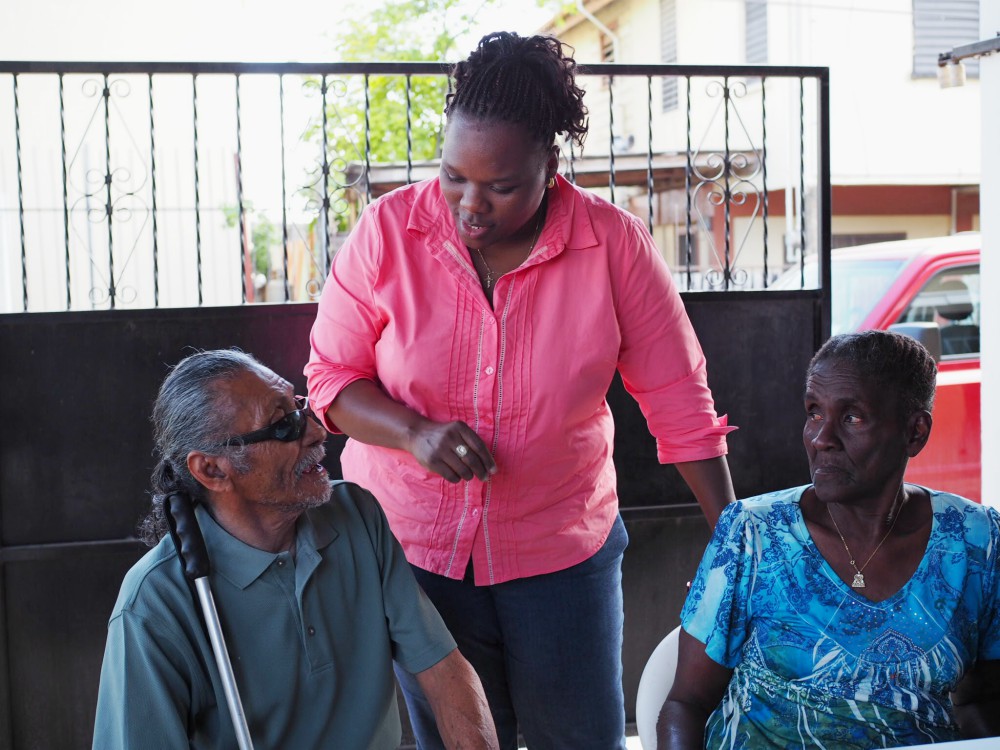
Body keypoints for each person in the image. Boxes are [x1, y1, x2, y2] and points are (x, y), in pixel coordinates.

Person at [305, 31, 736, 749]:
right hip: (420, 554)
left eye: (501, 186)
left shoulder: (614, 246)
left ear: (550, 165)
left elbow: (681, 403)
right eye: (453, 177)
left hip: (562, 553)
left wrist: (739, 542)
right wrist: (414, 431)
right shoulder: (388, 232)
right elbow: (330, 380)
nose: (471, 204)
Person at [92, 349, 499, 750]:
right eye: (283, 426)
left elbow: (443, 669)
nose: (318, 432)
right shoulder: (153, 605)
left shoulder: (355, 516)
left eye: (299, 408)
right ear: (213, 470)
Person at [658, 330, 1000, 749]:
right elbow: (685, 704)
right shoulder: (754, 534)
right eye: (814, 412)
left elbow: (982, 701)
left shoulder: (975, 540)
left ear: (915, 432)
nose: (822, 439)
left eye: (852, 417)